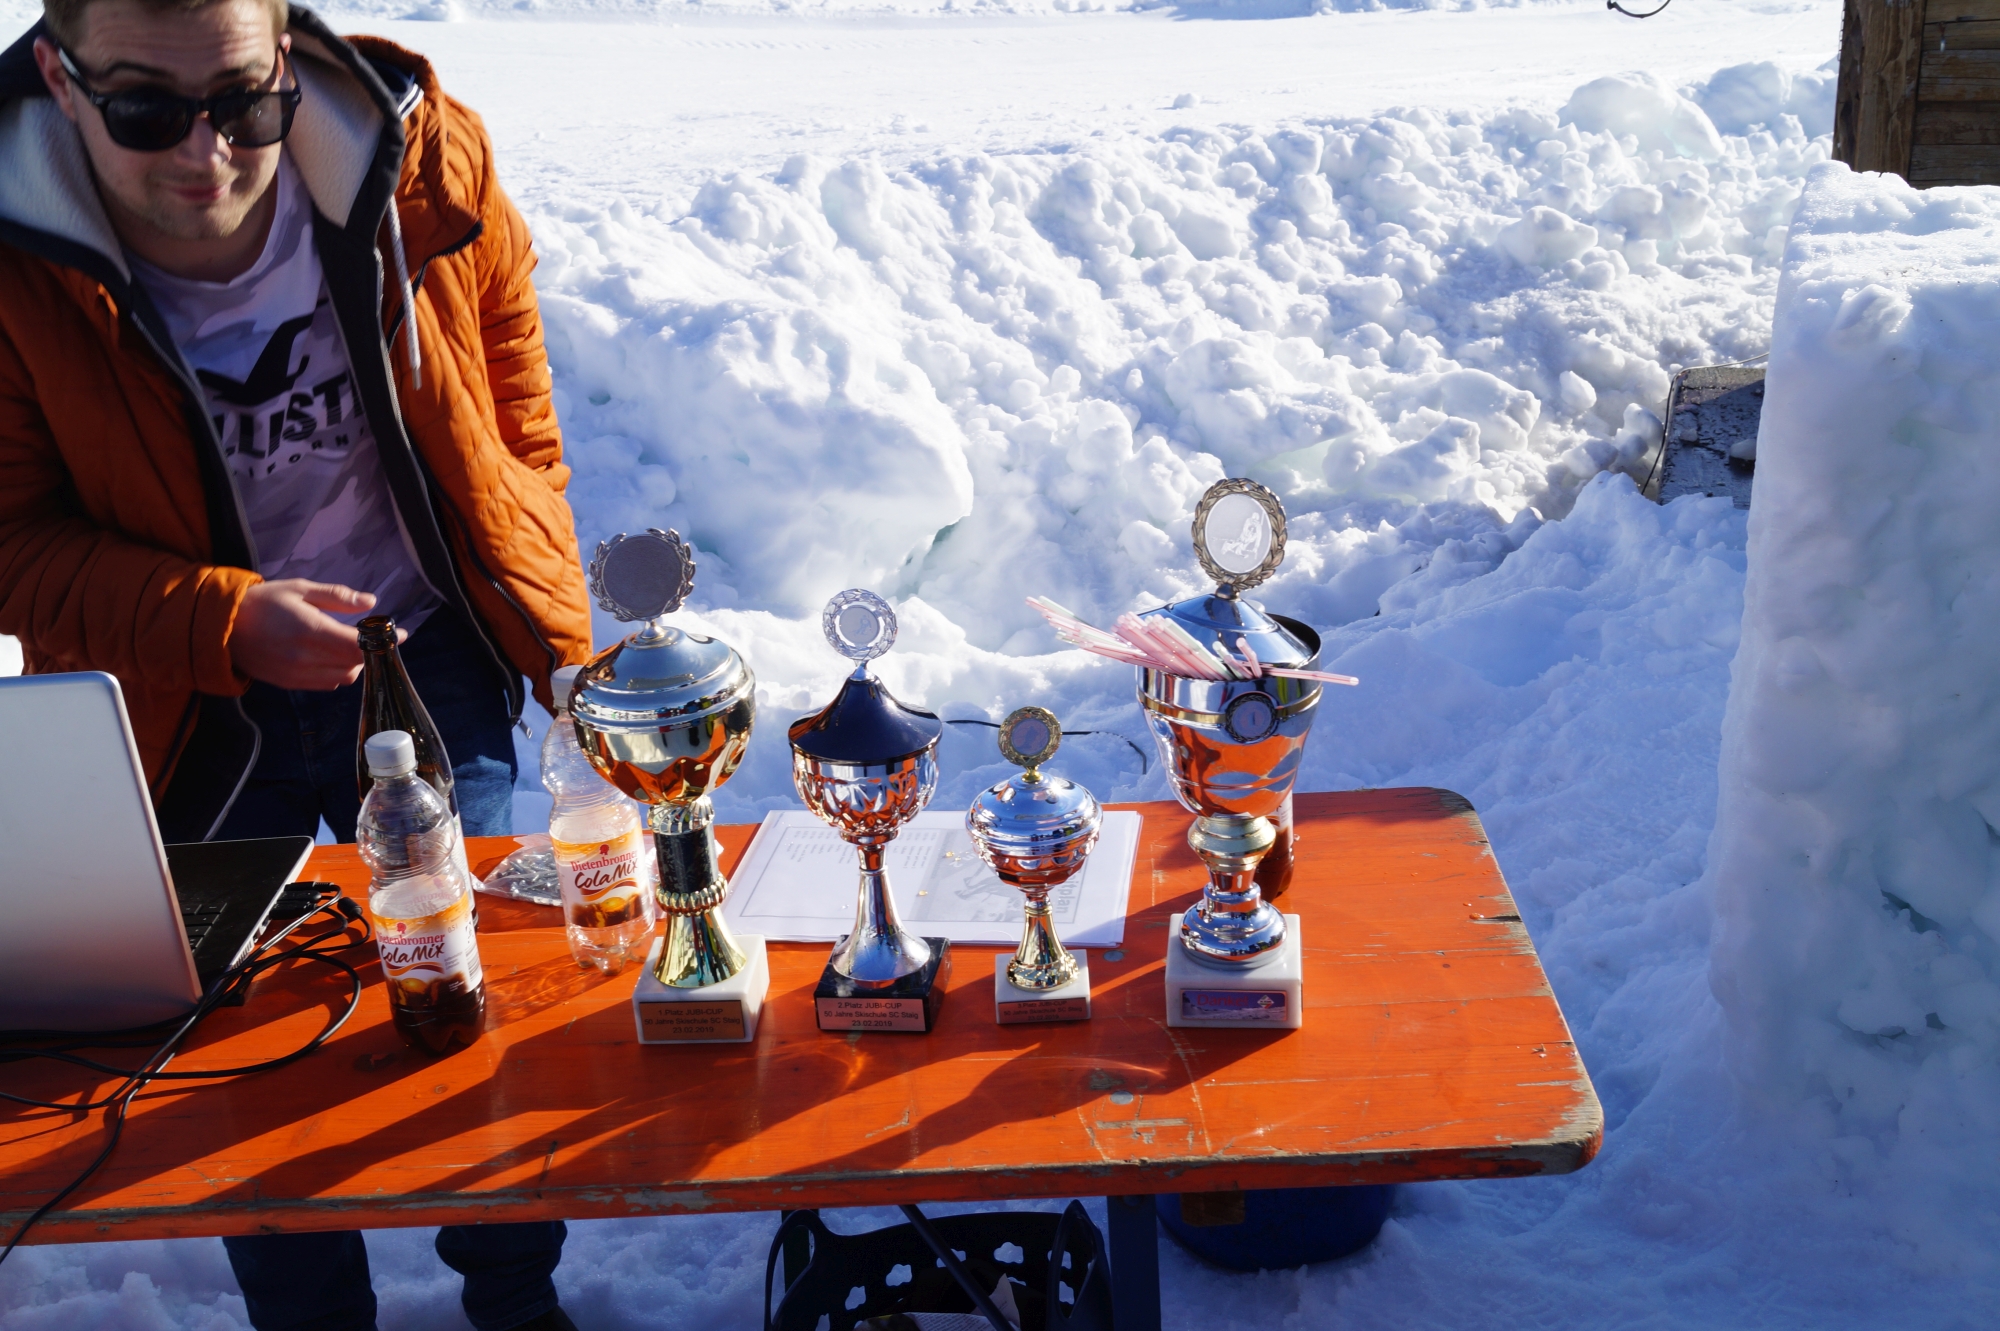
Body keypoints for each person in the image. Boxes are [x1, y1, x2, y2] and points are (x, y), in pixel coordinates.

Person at [0, 0, 594, 1327]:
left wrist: (534, 561)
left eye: (244, 104)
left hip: (423, 654)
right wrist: (222, 620)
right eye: (147, 111)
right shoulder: (12, 255)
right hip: (179, 705)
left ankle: (513, 1297)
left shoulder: (421, 160)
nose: (205, 154)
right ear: (60, 77)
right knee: (232, 1047)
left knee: (473, 989)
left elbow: (509, 383)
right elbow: (10, 536)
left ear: (286, 55)